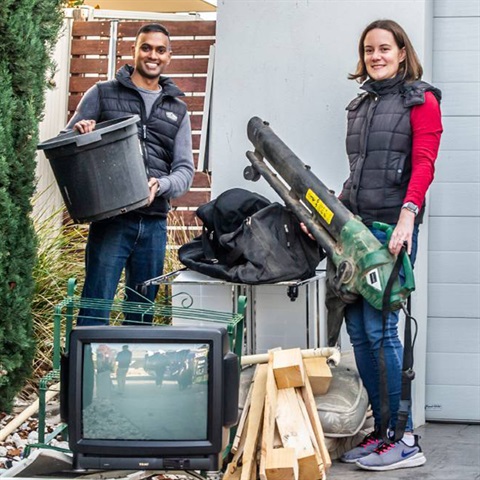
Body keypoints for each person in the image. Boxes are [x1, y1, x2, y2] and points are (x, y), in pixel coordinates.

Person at [304, 19, 442, 471]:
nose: (376, 56)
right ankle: (381, 433)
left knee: (383, 329)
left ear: (403, 52)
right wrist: (327, 219)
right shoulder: (360, 105)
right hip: (356, 232)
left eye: (385, 48)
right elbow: (357, 175)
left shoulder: (420, 99)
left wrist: (408, 216)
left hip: (391, 231)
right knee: (360, 331)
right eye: (369, 50)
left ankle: (404, 438)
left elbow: (423, 163)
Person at [64, 23, 194, 325]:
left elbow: (185, 171)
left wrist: (160, 185)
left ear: (169, 57)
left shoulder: (178, 109)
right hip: (111, 221)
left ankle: (127, 372)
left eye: (160, 50)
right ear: (134, 50)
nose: (152, 55)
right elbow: (66, 145)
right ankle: (88, 372)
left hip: (153, 225)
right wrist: (81, 132)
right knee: (95, 309)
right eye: (146, 47)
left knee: (141, 316)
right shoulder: (103, 93)